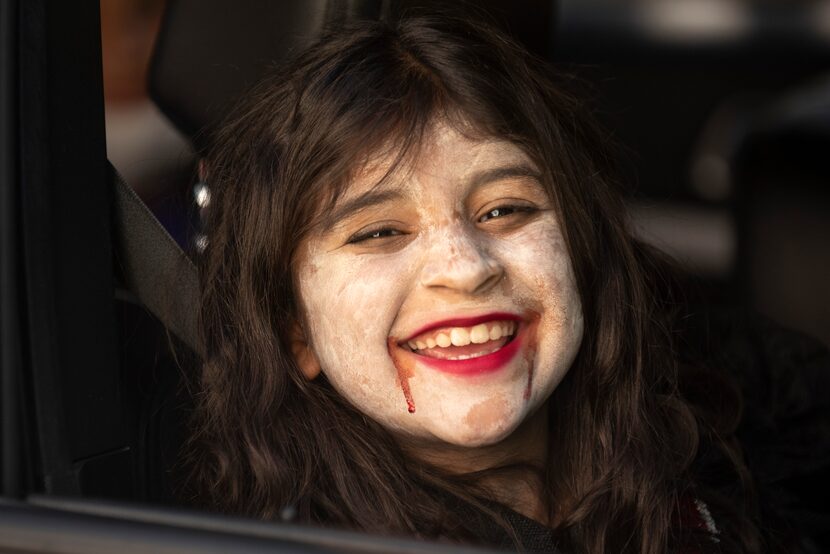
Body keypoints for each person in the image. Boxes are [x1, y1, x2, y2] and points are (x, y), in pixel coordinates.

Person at [185, 14, 828, 554]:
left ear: (581, 247)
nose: (466, 268)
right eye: (379, 232)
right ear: (296, 328)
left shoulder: (738, 412)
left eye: (505, 210)